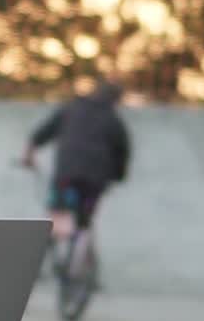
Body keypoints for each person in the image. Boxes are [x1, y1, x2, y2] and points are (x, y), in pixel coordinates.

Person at [20, 81, 130, 257]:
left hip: (66, 175)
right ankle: (77, 260)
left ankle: (44, 254)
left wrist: (28, 155)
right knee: (84, 219)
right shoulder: (112, 118)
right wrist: (117, 175)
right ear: (115, 99)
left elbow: (42, 132)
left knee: (59, 212)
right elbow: (122, 152)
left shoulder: (71, 109)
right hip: (95, 179)